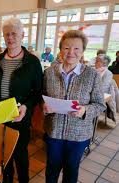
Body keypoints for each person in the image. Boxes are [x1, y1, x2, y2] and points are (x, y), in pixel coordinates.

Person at [0, 17, 43, 183]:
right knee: (2, 153)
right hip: (0, 115)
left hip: (19, 117)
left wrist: (26, 106)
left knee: (20, 155)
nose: (10, 38)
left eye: (14, 34)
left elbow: (38, 92)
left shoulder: (32, 62)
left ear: (22, 35)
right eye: (6, 34)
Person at [43, 30, 106, 183]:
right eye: (66, 48)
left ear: (83, 51)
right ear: (60, 50)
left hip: (78, 136)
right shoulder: (49, 73)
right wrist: (44, 107)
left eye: (76, 48)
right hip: (54, 132)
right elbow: (43, 96)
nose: (71, 52)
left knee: (71, 171)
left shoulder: (92, 75)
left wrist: (85, 110)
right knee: (51, 169)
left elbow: (100, 104)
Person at [95, 55, 119, 122]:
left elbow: (103, 88)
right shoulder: (94, 71)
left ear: (104, 64)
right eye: (96, 60)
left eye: (97, 61)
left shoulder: (108, 73)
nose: (95, 62)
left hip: (101, 95)